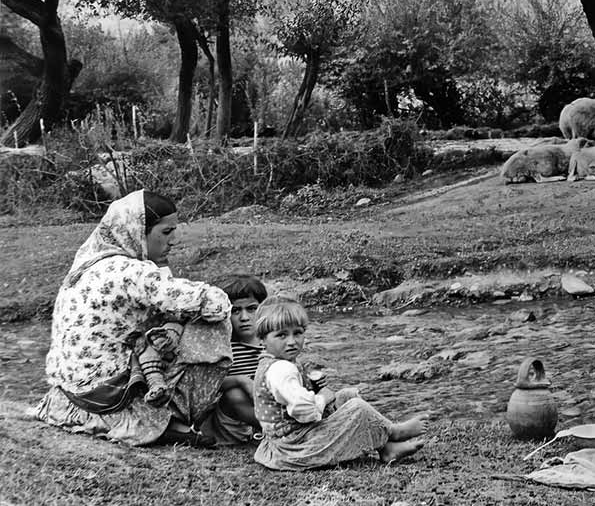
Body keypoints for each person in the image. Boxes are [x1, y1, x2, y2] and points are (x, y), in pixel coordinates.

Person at [35, 190, 234, 448]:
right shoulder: (133, 271)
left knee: (165, 322)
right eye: (165, 232)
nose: (174, 240)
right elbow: (215, 303)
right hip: (109, 393)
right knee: (215, 322)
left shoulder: (88, 262)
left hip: (73, 392)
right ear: (139, 231)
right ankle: (171, 417)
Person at [251, 294, 430, 471]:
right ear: (263, 339)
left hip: (288, 441)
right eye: (281, 335)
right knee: (357, 409)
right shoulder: (281, 370)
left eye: (297, 333)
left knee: (345, 397)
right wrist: (321, 398)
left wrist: (311, 387)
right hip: (295, 447)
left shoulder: (275, 363)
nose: (292, 341)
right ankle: (394, 432)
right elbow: (303, 410)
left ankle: (387, 448)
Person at [201, 273, 268, 444]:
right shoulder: (221, 348)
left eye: (252, 308)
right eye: (235, 311)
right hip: (235, 423)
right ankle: (280, 428)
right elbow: (207, 384)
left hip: (267, 406)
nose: (244, 318)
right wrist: (240, 380)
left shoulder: (272, 343)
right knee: (234, 395)